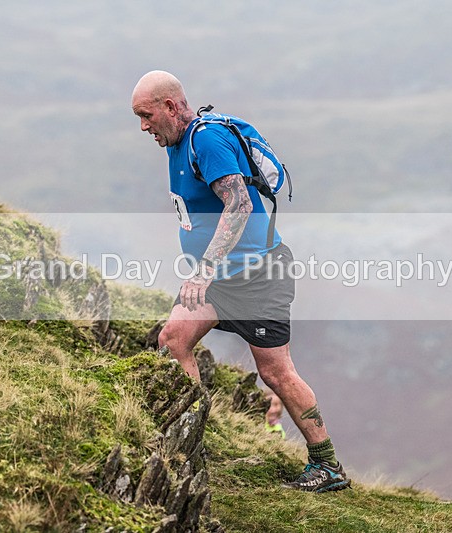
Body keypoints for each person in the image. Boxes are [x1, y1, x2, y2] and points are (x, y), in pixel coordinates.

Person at [131, 70, 350, 493]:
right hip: (216, 281)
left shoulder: (206, 141)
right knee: (173, 339)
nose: (143, 127)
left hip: (257, 278)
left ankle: (327, 465)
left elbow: (239, 202)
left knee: (276, 373)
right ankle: (189, 443)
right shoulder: (176, 141)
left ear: (171, 107)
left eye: (146, 115)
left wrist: (206, 266)